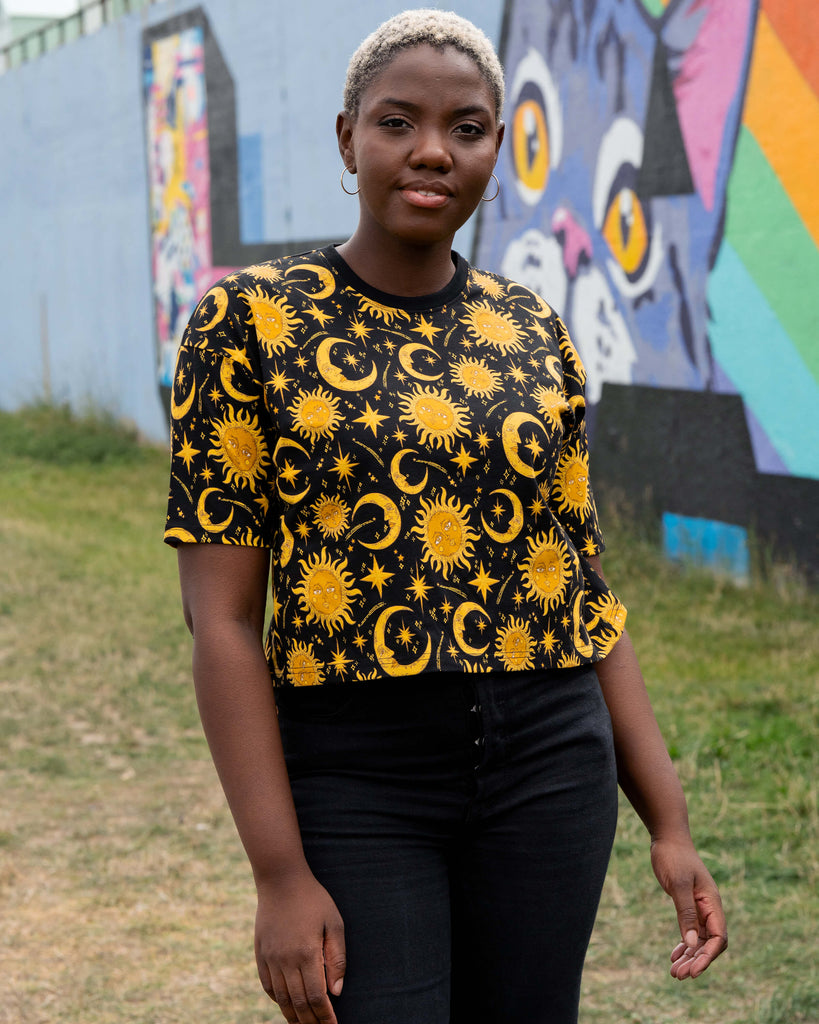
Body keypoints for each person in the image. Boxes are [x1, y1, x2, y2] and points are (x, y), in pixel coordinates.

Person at [164, 9, 727, 1024]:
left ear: (494, 150)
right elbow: (222, 621)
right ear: (348, 139)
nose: (432, 151)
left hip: (552, 765)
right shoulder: (250, 322)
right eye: (397, 122)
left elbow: (584, 588)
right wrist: (279, 874)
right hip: (357, 773)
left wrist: (670, 820)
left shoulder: (529, 329)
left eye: (466, 127)